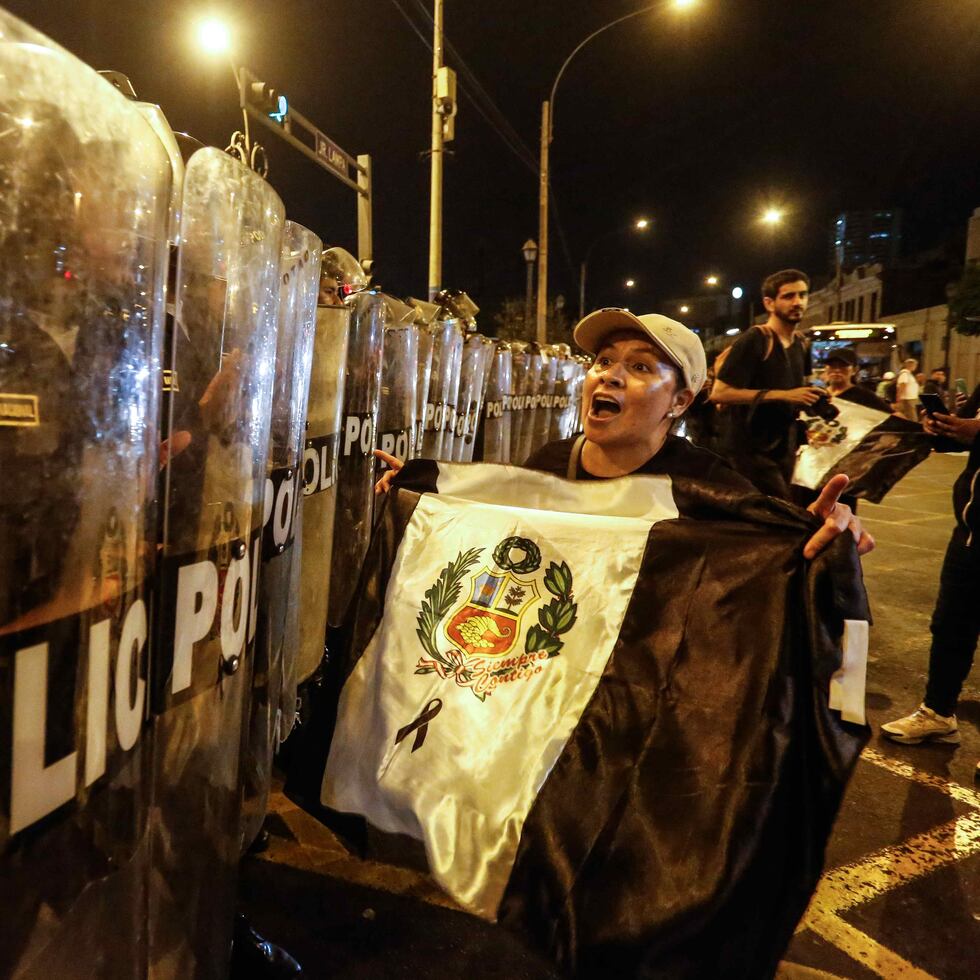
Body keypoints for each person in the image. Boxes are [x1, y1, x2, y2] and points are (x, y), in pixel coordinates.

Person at [375, 309, 874, 563]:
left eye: (639, 366)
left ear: (680, 401)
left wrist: (821, 537)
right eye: (604, 361)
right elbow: (489, 525)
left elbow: (770, 566)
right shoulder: (549, 462)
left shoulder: (710, 486)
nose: (609, 376)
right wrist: (423, 494)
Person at [881, 384, 980, 747]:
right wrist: (941, 429)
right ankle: (938, 713)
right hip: (970, 531)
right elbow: (962, 437)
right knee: (951, 625)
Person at [710, 270, 824, 499]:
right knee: (776, 511)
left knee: (785, 510)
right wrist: (784, 395)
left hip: (785, 447)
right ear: (769, 303)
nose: (798, 302)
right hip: (750, 451)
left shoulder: (802, 343)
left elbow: (799, 390)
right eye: (789, 296)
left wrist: (813, 400)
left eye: (803, 295)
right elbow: (719, 393)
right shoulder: (757, 339)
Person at [823, 348, 892, 413]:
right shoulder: (819, 394)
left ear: (854, 370)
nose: (837, 370)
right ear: (825, 368)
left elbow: (895, 417)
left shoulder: (865, 396)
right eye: (832, 365)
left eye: (843, 365)